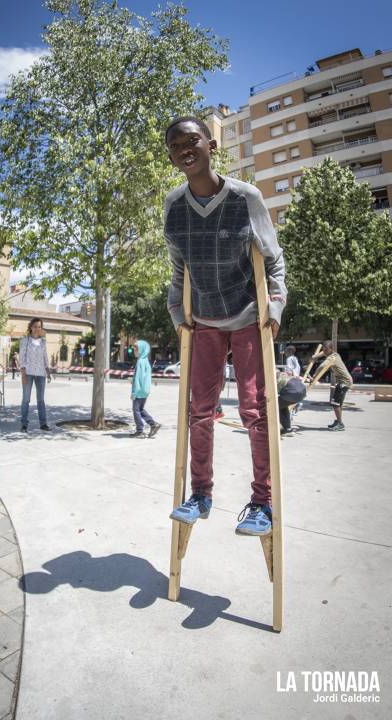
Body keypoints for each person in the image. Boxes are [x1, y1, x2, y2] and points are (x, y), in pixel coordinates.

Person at [164, 116, 287, 536]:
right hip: (204, 321)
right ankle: (200, 494)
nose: (185, 148)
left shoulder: (245, 197)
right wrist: (177, 315)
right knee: (199, 411)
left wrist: (275, 305)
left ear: (211, 145)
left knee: (255, 410)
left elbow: (272, 260)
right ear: (171, 155)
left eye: (192, 140)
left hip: (249, 315)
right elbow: (177, 268)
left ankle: (262, 502)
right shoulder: (173, 206)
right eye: (176, 144)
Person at [309, 340, 353, 431]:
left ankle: (340, 424)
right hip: (343, 381)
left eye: (326, 350)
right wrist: (315, 356)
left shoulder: (332, 358)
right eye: (323, 350)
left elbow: (322, 366)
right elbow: (322, 353)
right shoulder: (335, 354)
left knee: (335, 403)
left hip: (344, 382)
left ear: (331, 349)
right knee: (337, 403)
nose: (324, 352)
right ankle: (338, 421)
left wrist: (314, 375)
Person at [19, 318, 51, 432]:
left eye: (39, 327)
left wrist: (48, 370)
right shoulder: (25, 340)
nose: (37, 329)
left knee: (41, 400)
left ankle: (43, 424)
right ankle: (24, 424)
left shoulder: (43, 341)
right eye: (35, 326)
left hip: (41, 374)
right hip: (28, 373)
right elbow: (22, 358)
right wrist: (23, 374)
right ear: (31, 327)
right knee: (26, 400)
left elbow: (45, 356)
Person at [130, 340, 161, 438]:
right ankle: (153, 424)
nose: (134, 351)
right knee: (140, 409)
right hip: (145, 391)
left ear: (142, 350)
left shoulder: (140, 362)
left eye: (136, 349)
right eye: (134, 349)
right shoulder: (146, 361)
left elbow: (139, 378)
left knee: (136, 410)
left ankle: (140, 430)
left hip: (139, 391)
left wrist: (134, 392)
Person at [277, 370, 306, 435]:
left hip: (292, 392)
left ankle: (286, 429)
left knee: (275, 407)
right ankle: (288, 429)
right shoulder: (286, 375)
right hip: (302, 392)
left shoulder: (276, 378)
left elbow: (273, 393)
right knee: (282, 407)